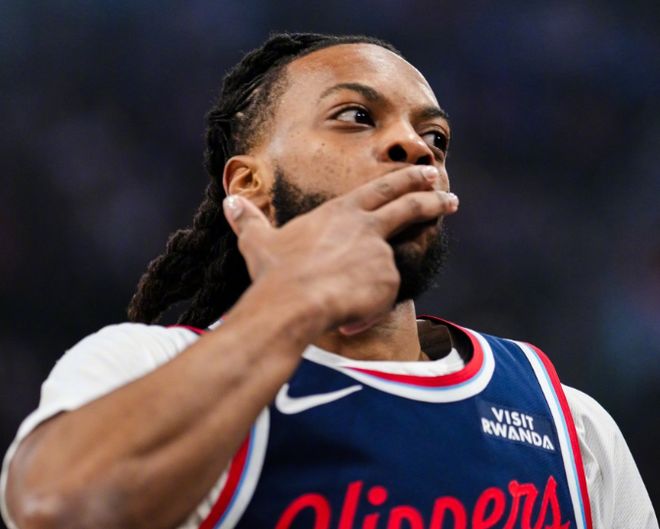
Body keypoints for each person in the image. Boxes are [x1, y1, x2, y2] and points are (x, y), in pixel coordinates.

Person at [1, 33, 656, 529]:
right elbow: (55, 509)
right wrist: (291, 301)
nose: (416, 148)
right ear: (249, 186)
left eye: (434, 136)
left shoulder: (570, 426)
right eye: (355, 116)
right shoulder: (145, 367)